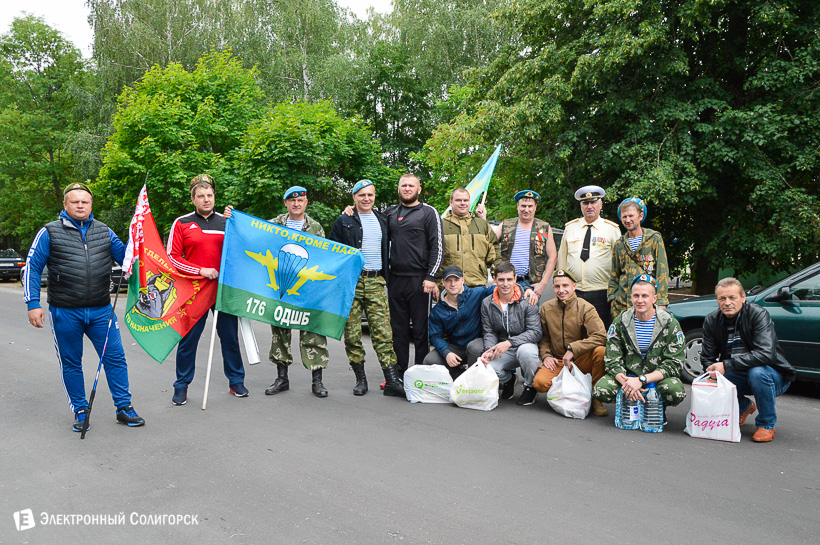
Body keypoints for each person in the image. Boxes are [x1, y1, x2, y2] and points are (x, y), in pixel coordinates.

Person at [24, 182, 144, 431]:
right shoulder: (49, 232)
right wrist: (32, 303)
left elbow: (126, 259)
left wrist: (139, 241)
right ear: (65, 204)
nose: (80, 205)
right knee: (71, 362)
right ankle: (80, 410)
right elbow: (32, 268)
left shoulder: (104, 231)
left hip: (101, 310)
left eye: (85, 201)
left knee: (115, 359)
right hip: (65, 311)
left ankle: (124, 407)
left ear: (91, 205)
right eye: (75, 201)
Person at [167, 174, 246, 405]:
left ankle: (236, 381)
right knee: (189, 339)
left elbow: (241, 251)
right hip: (195, 290)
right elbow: (172, 258)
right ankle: (181, 385)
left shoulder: (227, 221)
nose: (206, 199)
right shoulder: (181, 223)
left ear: (214, 197)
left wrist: (237, 221)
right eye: (200, 196)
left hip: (223, 291)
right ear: (193, 199)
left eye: (209, 195)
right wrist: (200, 270)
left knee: (230, 338)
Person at [328, 179, 404, 397]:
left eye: (370, 195)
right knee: (352, 335)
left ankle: (391, 380)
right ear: (354, 197)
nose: (366, 198)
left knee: (383, 333)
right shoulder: (344, 220)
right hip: (351, 283)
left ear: (374, 196)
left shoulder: (384, 219)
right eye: (361, 195)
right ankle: (360, 379)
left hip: (376, 281)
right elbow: (333, 252)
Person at [701, 278, 796, 442]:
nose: (727, 303)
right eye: (722, 298)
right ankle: (744, 406)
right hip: (738, 374)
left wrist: (726, 365)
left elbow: (766, 354)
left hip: (772, 376)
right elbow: (707, 357)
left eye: (732, 297)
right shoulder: (712, 320)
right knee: (712, 378)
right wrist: (711, 370)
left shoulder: (758, 314)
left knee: (757, 372)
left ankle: (766, 424)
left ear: (743, 297)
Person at [265, 186, 332, 397]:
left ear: (306, 203)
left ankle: (317, 381)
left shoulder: (315, 227)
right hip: (282, 287)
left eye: (300, 200)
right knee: (280, 332)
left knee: (314, 332)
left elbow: (324, 257)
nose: (296, 204)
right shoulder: (273, 225)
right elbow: (256, 239)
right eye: (292, 200)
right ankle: (282, 378)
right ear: (285, 203)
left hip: (308, 289)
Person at [593, 274, 686, 421]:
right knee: (601, 389)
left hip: (656, 377)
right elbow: (612, 359)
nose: (640, 300)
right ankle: (628, 402)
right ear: (631, 297)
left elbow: (675, 363)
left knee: (675, 391)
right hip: (628, 376)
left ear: (654, 299)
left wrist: (642, 380)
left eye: (645, 296)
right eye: (636, 295)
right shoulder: (621, 322)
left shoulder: (669, 323)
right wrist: (626, 382)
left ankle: (657, 406)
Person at [385, 174, 444, 374]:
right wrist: (351, 210)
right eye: (404, 185)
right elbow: (369, 222)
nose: (407, 188)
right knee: (398, 331)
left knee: (420, 331)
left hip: (420, 281)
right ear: (399, 189)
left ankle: (420, 373)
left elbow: (438, 246)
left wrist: (431, 277)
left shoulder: (428, 212)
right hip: (395, 280)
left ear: (419, 189)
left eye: (411, 185)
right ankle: (400, 373)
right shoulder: (390, 213)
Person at [533, 269, 609, 416]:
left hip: (580, 360)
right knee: (540, 383)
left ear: (574, 286)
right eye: (557, 286)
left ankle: (596, 397)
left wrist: (573, 349)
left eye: (565, 286)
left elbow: (600, 336)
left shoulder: (586, 307)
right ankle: (566, 394)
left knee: (601, 351)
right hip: (558, 361)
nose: (561, 290)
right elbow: (544, 338)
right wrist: (546, 355)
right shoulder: (546, 308)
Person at [557, 185, 621, 328]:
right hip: (575, 292)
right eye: (585, 203)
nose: (589, 206)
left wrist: (616, 292)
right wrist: (561, 286)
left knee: (600, 332)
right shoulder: (570, 228)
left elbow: (619, 263)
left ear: (600, 204)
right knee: (574, 331)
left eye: (593, 202)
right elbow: (562, 259)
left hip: (602, 292)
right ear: (581, 206)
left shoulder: (612, 229)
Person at [480, 261, 543, 406]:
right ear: (494, 280)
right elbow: (488, 331)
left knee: (527, 352)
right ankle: (509, 380)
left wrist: (510, 343)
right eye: (501, 280)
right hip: (503, 348)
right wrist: (490, 350)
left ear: (515, 279)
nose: (505, 284)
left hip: (524, 346)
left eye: (509, 279)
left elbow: (535, 332)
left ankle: (530, 386)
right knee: (487, 366)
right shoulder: (487, 303)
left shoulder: (528, 300)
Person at [423, 266, 495, 379]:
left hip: (476, 342)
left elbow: (500, 288)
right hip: (455, 347)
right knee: (430, 360)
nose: (453, 284)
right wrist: (447, 353)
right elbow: (436, 336)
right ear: (443, 282)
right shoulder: (438, 310)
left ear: (462, 280)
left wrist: (525, 289)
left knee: (474, 348)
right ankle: (460, 377)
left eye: (456, 280)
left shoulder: (476, 294)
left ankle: (474, 382)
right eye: (449, 281)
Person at [608, 197, 670, 319]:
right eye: (624, 217)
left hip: (646, 304)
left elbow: (662, 271)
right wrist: (612, 298)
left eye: (631, 216)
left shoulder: (653, 239)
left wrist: (661, 301)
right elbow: (614, 274)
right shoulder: (619, 244)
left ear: (640, 216)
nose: (628, 220)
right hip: (622, 305)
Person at [494, 190, 557, 298]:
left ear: (535, 207)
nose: (526, 210)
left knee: (529, 314)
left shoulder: (543, 228)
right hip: (507, 282)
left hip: (531, 283)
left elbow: (553, 256)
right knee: (505, 314)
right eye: (523, 206)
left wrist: (543, 284)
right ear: (517, 206)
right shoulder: (506, 225)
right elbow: (489, 243)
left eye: (530, 206)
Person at [440, 188, 499, 287]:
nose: (462, 203)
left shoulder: (482, 225)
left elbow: (495, 254)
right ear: (451, 202)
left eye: (465, 200)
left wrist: (497, 278)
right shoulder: (440, 225)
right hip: (449, 287)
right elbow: (431, 256)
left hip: (477, 286)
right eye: (458, 200)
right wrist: (433, 282)